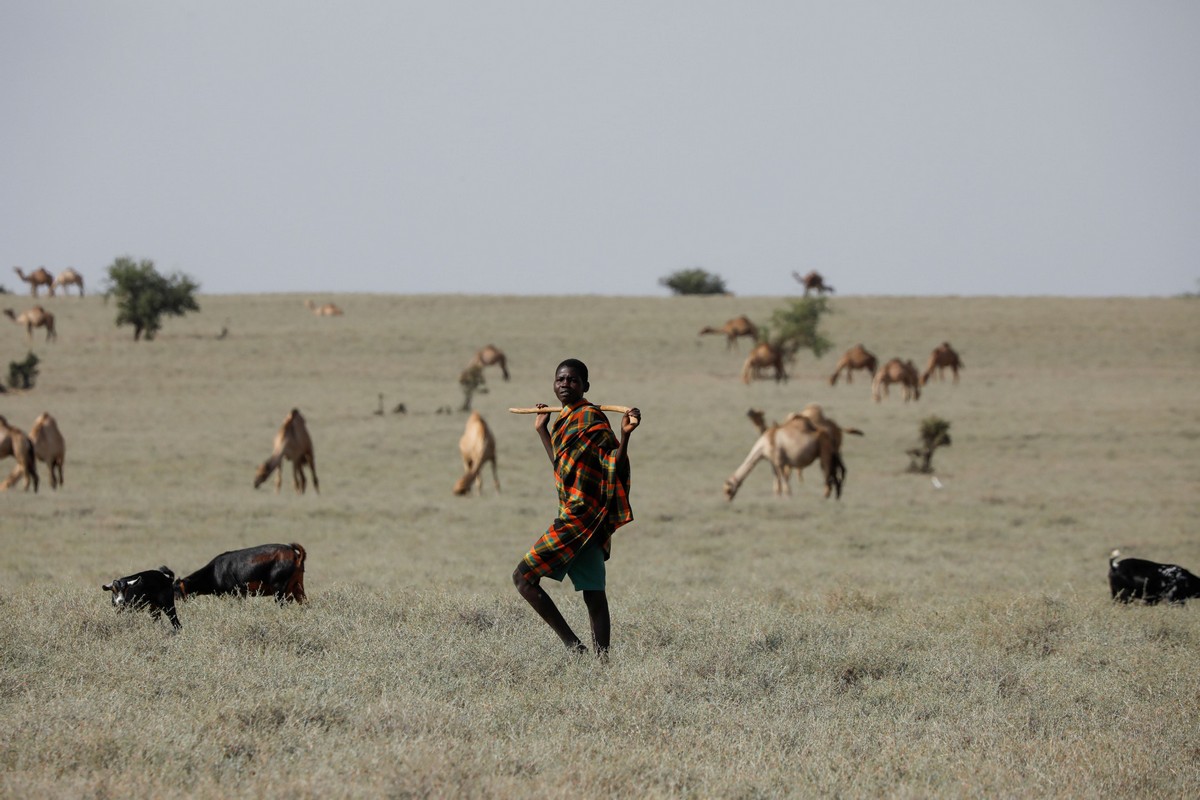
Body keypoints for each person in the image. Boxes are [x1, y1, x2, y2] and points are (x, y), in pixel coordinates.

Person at [512, 358, 640, 656]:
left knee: (523, 578)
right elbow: (562, 466)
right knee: (594, 594)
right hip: (581, 517)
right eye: (560, 380)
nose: (565, 385)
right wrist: (542, 431)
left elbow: (612, 465)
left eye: (571, 380)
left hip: (580, 516)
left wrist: (626, 436)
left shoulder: (592, 419)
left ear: (585, 386)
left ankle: (576, 648)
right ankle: (599, 660)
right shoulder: (564, 420)